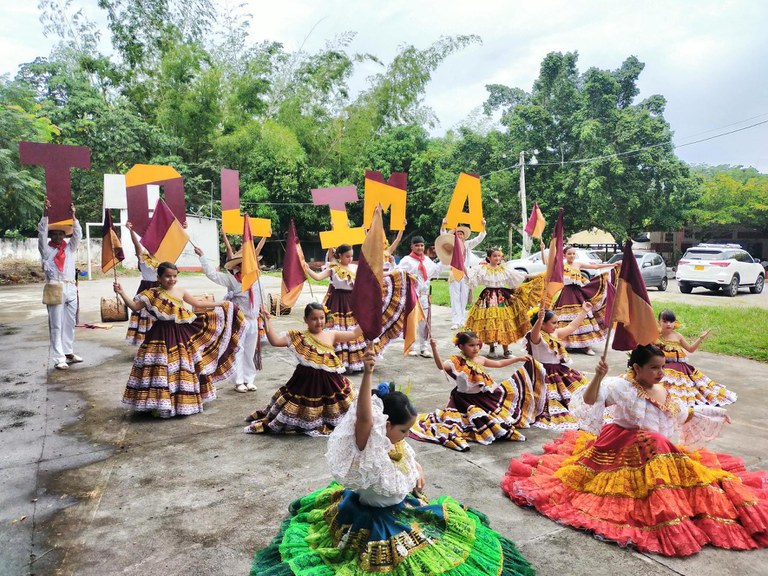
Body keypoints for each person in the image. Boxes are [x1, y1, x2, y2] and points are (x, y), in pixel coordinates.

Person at [250, 347, 536, 576]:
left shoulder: (396, 443)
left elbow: (407, 460)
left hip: (402, 510)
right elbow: (364, 416)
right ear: (383, 424)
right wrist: (368, 374)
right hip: (372, 523)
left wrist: (417, 470)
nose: (407, 435)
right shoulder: (368, 448)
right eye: (403, 429)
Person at [502, 344, 768, 557]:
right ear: (637, 368)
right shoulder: (620, 386)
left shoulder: (663, 389)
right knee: (649, 455)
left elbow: (684, 415)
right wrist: (598, 376)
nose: (660, 373)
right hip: (623, 446)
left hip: (659, 450)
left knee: (688, 470)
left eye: (662, 367)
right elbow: (590, 400)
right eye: (654, 368)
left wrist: (716, 413)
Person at [114, 262, 245, 418]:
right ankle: (160, 404)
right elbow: (135, 307)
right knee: (159, 369)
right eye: (168, 276)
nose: (171, 279)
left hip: (180, 335)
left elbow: (198, 304)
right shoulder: (151, 293)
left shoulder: (181, 291)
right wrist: (122, 293)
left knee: (182, 368)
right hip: (158, 336)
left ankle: (181, 404)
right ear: (159, 277)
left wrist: (221, 304)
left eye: (174, 276)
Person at [410, 332, 546, 451]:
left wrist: (518, 359)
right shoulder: (456, 361)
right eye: (471, 345)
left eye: (477, 344)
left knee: (502, 420)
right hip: (463, 401)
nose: (476, 348)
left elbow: (498, 364)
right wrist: (434, 348)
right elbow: (441, 366)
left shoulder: (480, 359)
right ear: (461, 347)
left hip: (482, 398)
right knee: (469, 423)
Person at [244, 302, 362, 435]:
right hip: (305, 384)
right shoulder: (298, 337)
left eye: (321, 318)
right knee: (301, 409)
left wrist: (367, 316)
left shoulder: (331, 334)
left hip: (330, 384)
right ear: (305, 319)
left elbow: (354, 333)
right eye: (314, 318)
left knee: (338, 407)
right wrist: (267, 322)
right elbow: (275, 341)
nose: (319, 322)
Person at [195, 239, 266, 393]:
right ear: (239, 266)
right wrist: (202, 257)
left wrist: (264, 309)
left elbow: (262, 295)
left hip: (253, 320)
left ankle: (249, 379)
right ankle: (239, 380)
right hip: (239, 321)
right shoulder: (233, 280)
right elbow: (212, 275)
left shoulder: (256, 278)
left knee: (250, 351)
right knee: (238, 350)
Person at [465, 246, 544, 358]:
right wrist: (461, 267)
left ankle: (506, 350)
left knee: (504, 322)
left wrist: (537, 276)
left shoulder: (504, 269)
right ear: (489, 257)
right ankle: (492, 348)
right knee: (490, 322)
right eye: (494, 256)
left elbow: (520, 275)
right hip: (488, 298)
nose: (497, 258)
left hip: (503, 297)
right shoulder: (481, 269)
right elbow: (470, 274)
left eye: (499, 256)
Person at [525, 305, 592, 429]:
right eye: (553, 323)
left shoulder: (554, 333)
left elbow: (571, 327)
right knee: (550, 400)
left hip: (558, 370)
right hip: (542, 373)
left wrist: (584, 311)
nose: (556, 325)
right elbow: (535, 331)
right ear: (543, 324)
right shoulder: (535, 335)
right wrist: (539, 320)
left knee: (577, 392)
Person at [303, 244, 367, 372]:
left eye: (351, 256)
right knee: (338, 329)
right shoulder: (333, 268)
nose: (350, 259)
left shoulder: (355, 268)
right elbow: (317, 277)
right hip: (337, 301)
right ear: (339, 256)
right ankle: (338, 362)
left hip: (353, 301)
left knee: (354, 329)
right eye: (347, 256)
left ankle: (354, 361)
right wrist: (307, 268)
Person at [656, 309, 737, 406]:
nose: (668, 324)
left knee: (689, 389)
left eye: (671, 321)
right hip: (662, 367)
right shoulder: (655, 336)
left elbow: (690, 349)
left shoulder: (678, 336)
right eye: (665, 321)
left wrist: (701, 338)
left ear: (675, 323)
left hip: (681, 369)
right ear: (659, 322)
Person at [547, 244, 617, 355]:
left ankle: (586, 346)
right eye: (569, 253)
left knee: (584, 317)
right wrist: (543, 249)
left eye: (574, 253)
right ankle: (565, 343)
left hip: (578, 294)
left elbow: (595, 267)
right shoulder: (561, 265)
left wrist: (613, 264)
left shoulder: (578, 264)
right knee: (565, 320)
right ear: (564, 255)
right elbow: (548, 263)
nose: (572, 255)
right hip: (566, 295)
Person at [38, 200, 82, 370]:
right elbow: (41, 233)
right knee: (56, 323)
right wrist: (45, 213)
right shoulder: (46, 249)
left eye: (60, 234)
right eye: (54, 234)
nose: (57, 237)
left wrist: (73, 216)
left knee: (70, 322)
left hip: (71, 287)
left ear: (64, 235)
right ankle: (58, 357)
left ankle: (68, 351)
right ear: (51, 235)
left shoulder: (69, 249)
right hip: (55, 287)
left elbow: (77, 234)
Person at [396, 235, 442, 357]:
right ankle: (410, 346)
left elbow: (436, 271)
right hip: (412, 295)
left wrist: (444, 258)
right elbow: (398, 274)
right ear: (412, 246)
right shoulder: (407, 260)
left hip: (424, 295)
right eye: (417, 245)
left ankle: (424, 347)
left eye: (421, 245)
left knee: (425, 322)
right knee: (412, 321)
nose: (419, 248)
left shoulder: (427, 260)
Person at [440, 218, 487, 329]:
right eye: (457, 234)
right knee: (455, 296)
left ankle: (461, 320)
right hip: (454, 273)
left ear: (464, 236)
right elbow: (443, 234)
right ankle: (455, 321)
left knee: (463, 297)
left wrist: (483, 226)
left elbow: (480, 238)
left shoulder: (467, 244)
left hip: (466, 273)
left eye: (461, 234)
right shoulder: (451, 244)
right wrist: (443, 225)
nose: (459, 236)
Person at [124, 221, 160, 346]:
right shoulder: (143, 258)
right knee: (145, 314)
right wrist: (131, 230)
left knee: (159, 315)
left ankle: (159, 343)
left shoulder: (164, 259)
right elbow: (136, 244)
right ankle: (144, 344)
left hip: (161, 290)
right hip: (146, 288)